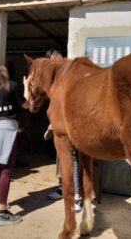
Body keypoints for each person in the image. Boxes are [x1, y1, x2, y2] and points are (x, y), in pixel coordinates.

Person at [0, 64, 30, 226]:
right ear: (4, 73)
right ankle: (2, 212)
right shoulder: (13, 86)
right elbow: (26, 105)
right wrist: (27, 87)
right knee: (7, 170)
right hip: (7, 128)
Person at [44, 49, 82, 212]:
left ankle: (77, 197)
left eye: (56, 60)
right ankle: (63, 189)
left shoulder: (71, 74)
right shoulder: (57, 80)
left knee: (74, 160)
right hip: (61, 125)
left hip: (73, 125)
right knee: (62, 158)